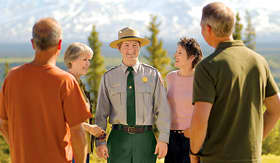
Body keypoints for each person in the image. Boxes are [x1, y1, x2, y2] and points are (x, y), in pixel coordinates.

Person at [189, 2, 280, 163]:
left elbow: (200, 120)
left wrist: (194, 153)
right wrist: (254, 144)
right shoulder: (259, 62)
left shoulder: (207, 67)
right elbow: (276, 109)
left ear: (208, 29)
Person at [0, 18, 92, 163]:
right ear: (59, 44)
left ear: (33, 43)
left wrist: (21, 148)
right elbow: (78, 132)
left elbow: (3, 123)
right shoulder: (65, 81)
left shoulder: (12, 77)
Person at [94, 27, 171, 163]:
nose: (131, 50)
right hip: (118, 139)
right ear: (119, 48)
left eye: (135, 45)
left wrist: (164, 138)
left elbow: (163, 109)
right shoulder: (109, 77)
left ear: (140, 47)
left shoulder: (153, 75)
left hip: (145, 140)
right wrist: (100, 142)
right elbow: (101, 113)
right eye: (126, 45)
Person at [63, 42, 105, 163]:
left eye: (89, 60)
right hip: (70, 150)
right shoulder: (66, 83)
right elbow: (63, 118)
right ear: (72, 60)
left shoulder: (78, 84)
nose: (88, 63)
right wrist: (90, 128)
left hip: (82, 149)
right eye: (84, 59)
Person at [165, 37, 202, 163]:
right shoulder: (170, 77)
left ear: (192, 57)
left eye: (180, 52)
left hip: (192, 138)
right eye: (176, 51)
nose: (175, 55)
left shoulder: (201, 80)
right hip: (171, 138)